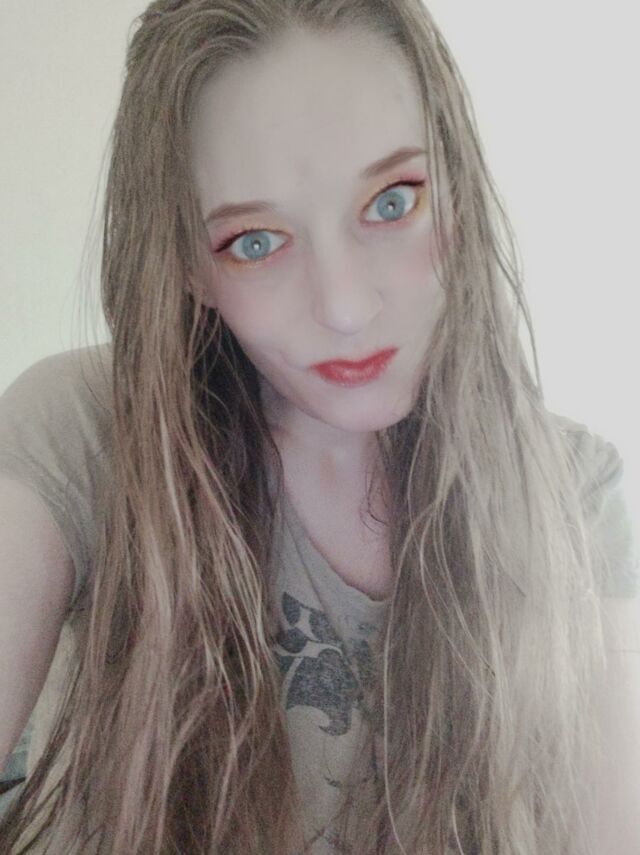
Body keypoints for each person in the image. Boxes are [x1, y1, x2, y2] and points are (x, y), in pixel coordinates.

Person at [0, 0, 638, 853]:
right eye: (255, 241)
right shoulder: (81, 434)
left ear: (456, 182)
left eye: (392, 201)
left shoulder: (572, 494)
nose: (344, 306)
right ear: (188, 265)